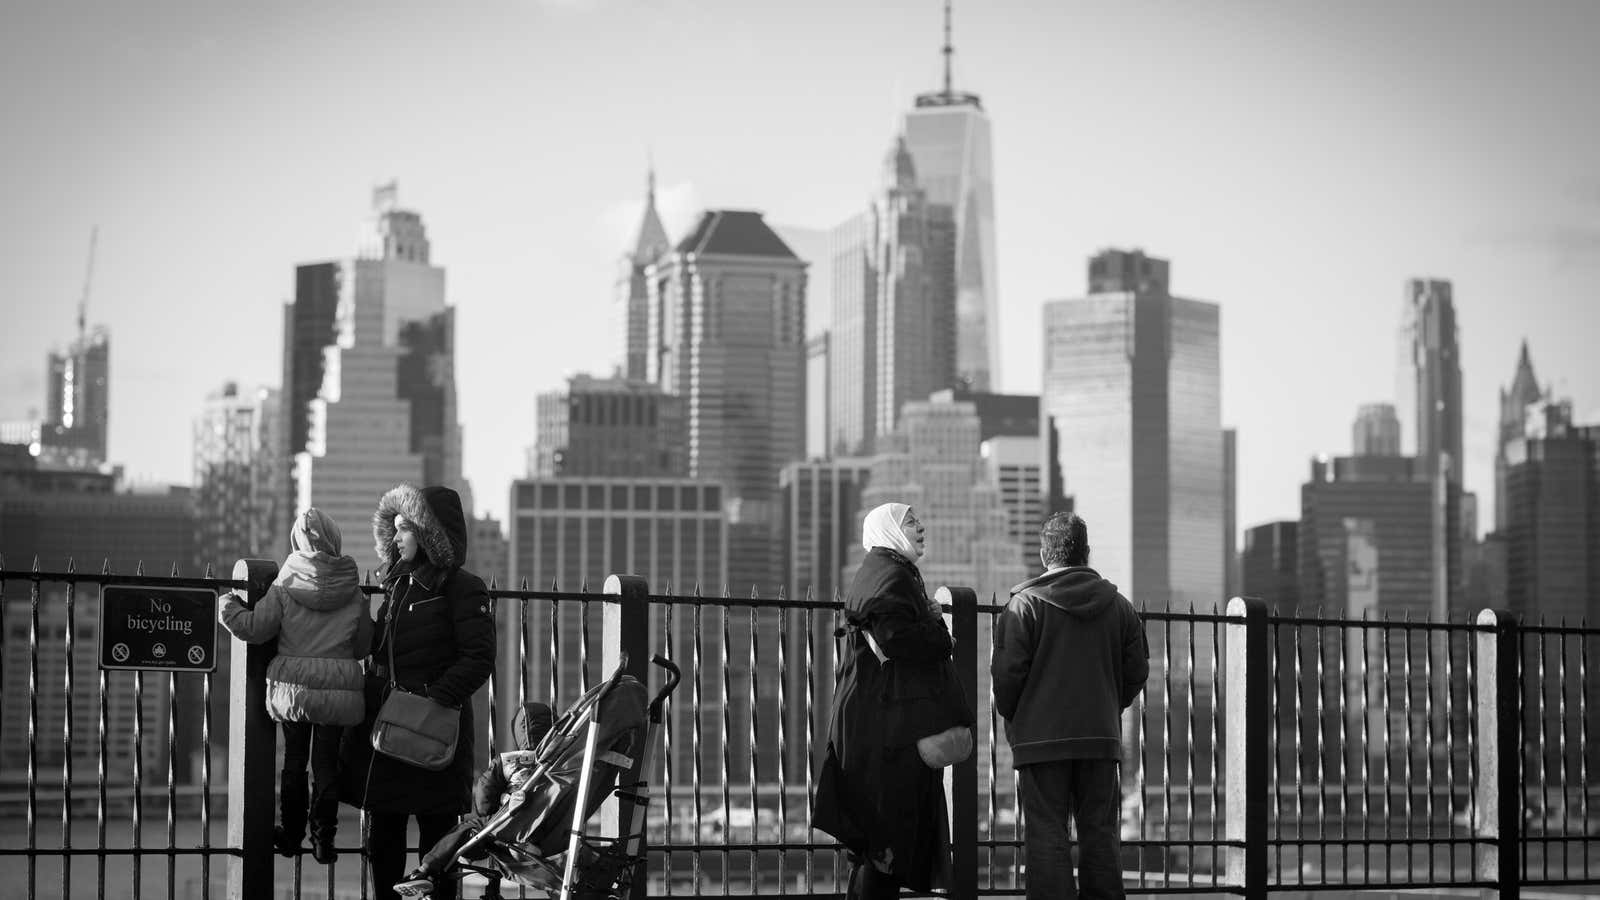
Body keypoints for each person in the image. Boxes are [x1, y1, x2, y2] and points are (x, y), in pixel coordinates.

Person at [341, 484, 496, 900]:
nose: (395, 539)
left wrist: (433, 699)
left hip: (435, 734)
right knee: (382, 840)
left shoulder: (464, 587)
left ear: (428, 532)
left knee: (440, 848)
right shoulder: (395, 585)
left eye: (403, 529)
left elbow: (479, 658)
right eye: (392, 530)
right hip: (390, 734)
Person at [813, 502, 972, 900]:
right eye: (909, 521)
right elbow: (894, 637)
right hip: (884, 732)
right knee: (885, 842)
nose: (920, 526)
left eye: (918, 519)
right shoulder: (891, 576)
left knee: (878, 842)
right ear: (888, 531)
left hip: (874, 723)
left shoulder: (886, 571)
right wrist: (940, 633)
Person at [991, 512, 1149, 900]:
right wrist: (1109, 707)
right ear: (1087, 553)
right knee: (1100, 834)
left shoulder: (1024, 606)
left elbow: (1006, 677)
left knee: (1046, 836)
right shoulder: (1121, 608)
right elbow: (1137, 672)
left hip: (1041, 743)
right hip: (1100, 739)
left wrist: (1022, 718)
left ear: (1045, 555)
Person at [220, 507, 370, 864]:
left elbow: (255, 628)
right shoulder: (353, 590)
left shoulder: (285, 584)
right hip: (338, 689)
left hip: (294, 687)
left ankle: (290, 835)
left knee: (295, 763)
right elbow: (363, 646)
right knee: (326, 766)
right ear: (335, 540)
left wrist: (227, 603)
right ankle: (324, 841)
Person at [392, 701, 554, 898]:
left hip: (512, 824)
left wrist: (492, 809)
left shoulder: (509, 760)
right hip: (552, 826)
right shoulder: (565, 762)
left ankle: (426, 870)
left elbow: (484, 797)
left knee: (469, 828)